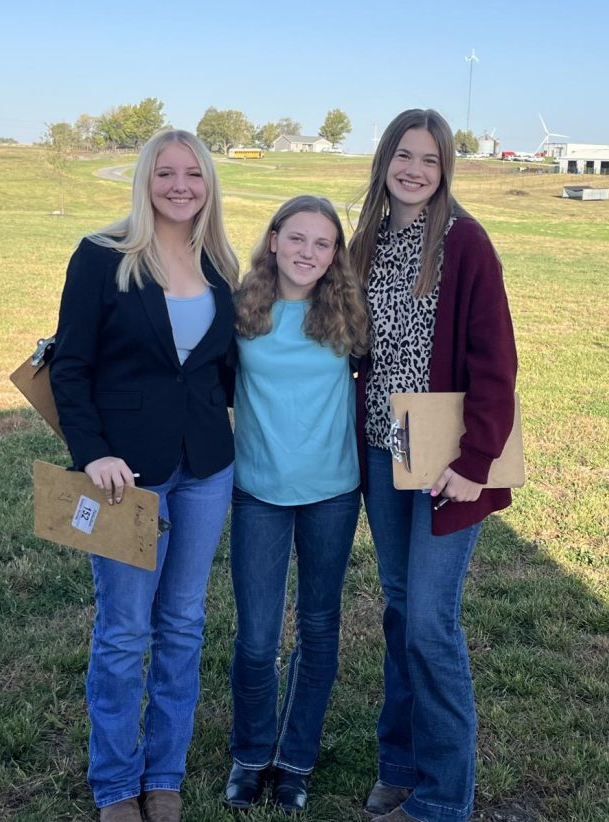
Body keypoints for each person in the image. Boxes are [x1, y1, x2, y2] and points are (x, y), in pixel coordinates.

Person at [49, 129, 239, 822]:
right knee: (126, 631)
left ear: (209, 182)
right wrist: (91, 451)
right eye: (166, 172)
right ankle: (114, 784)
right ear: (145, 179)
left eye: (193, 173)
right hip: (123, 477)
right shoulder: (102, 257)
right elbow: (70, 366)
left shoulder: (219, 264)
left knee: (184, 624)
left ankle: (164, 773)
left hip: (206, 469)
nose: (181, 185)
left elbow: (224, 370)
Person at [349, 109, 518, 822]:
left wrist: (477, 461)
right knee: (398, 611)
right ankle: (401, 764)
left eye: (429, 159)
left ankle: (446, 798)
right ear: (385, 161)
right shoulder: (367, 242)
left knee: (430, 624)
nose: (415, 170)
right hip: (385, 449)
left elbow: (496, 363)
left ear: (446, 168)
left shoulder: (465, 244)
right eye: (404, 156)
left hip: (449, 458)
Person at [223, 196, 369, 814]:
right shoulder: (240, 310)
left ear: (335, 253)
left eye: (324, 243)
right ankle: (251, 755)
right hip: (258, 490)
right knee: (256, 639)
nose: (309, 253)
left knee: (318, 629)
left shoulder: (346, 313)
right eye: (298, 239)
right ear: (275, 239)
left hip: (332, 492)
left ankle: (295, 761)